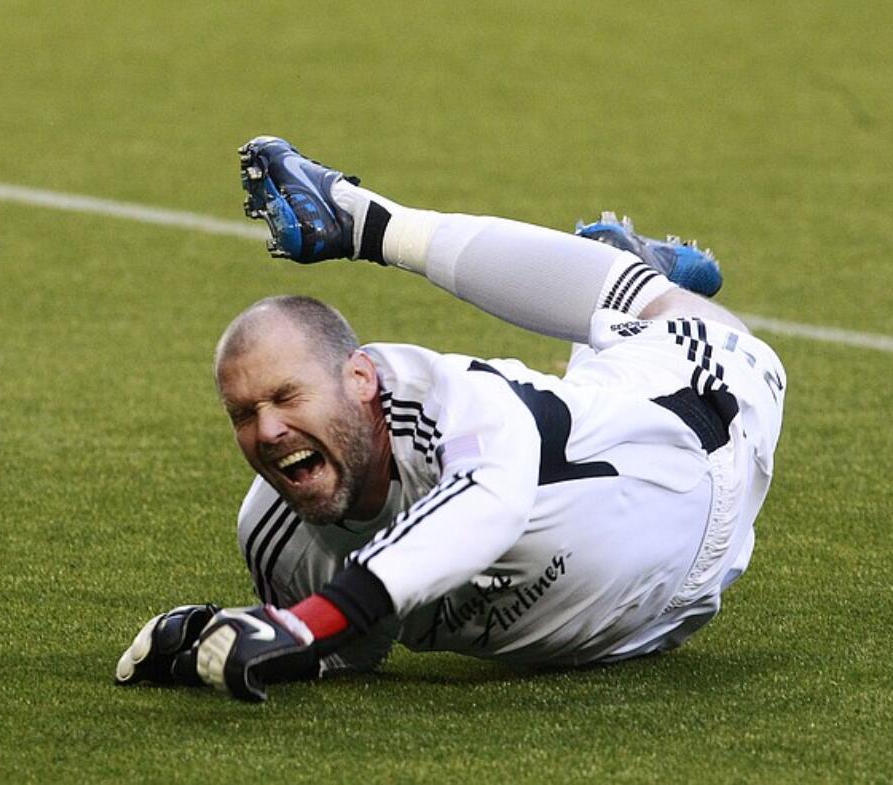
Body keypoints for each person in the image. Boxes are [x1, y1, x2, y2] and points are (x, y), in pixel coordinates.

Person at [115, 136, 787, 702]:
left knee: (670, 315)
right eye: (244, 414)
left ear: (361, 378)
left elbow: (483, 511)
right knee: (591, 380)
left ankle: (363, 220)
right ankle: (603, 296)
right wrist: (215, 642)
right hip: (643, 633)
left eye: (288, 397)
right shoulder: (273, 532)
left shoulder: (455, 406)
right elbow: (344, 651)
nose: (267, 431)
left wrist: (303, 623)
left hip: (708, 458)